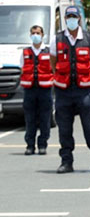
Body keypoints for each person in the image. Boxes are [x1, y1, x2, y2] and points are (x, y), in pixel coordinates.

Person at [50, 6, 90, 174]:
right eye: (69, 17)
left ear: (79, 18)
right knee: (64, 129)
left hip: (84, 91)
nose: (71, 19)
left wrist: (89, 77)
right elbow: (53, 63)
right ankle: (66, 161)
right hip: (63, 91)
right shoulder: (57, 39)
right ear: (65, 19)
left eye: (74, 16)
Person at [19, 25, 54, 155]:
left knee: (45, 118)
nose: (35, 35)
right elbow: (22, 68)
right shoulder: (25, 52)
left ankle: (42, 144)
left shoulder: (49, 51)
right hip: (30, 90)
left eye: (38, 33)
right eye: (33, 33)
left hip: (45, 90)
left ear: (42, 35)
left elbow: (54, 68)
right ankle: (30, 145)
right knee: (30, 119)